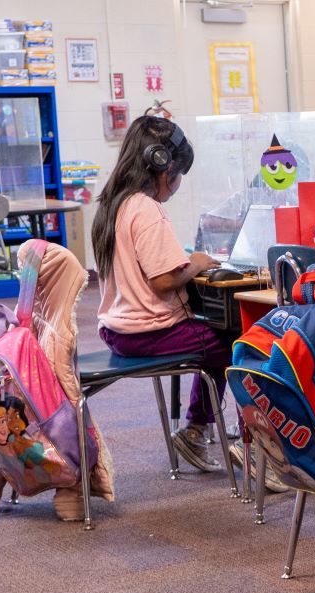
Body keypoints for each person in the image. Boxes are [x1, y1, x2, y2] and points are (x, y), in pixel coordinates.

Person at [91, 115, 229, 472]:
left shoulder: (112, 204)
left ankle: (199, 426)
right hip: (149, 332)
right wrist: (197, 263)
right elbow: (163, 281)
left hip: (117, 330)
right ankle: (200, 429)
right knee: (234, 341)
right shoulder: (146, 209)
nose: (179, 182)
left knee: (217, 336)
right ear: (160, 165)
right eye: (179, 172)